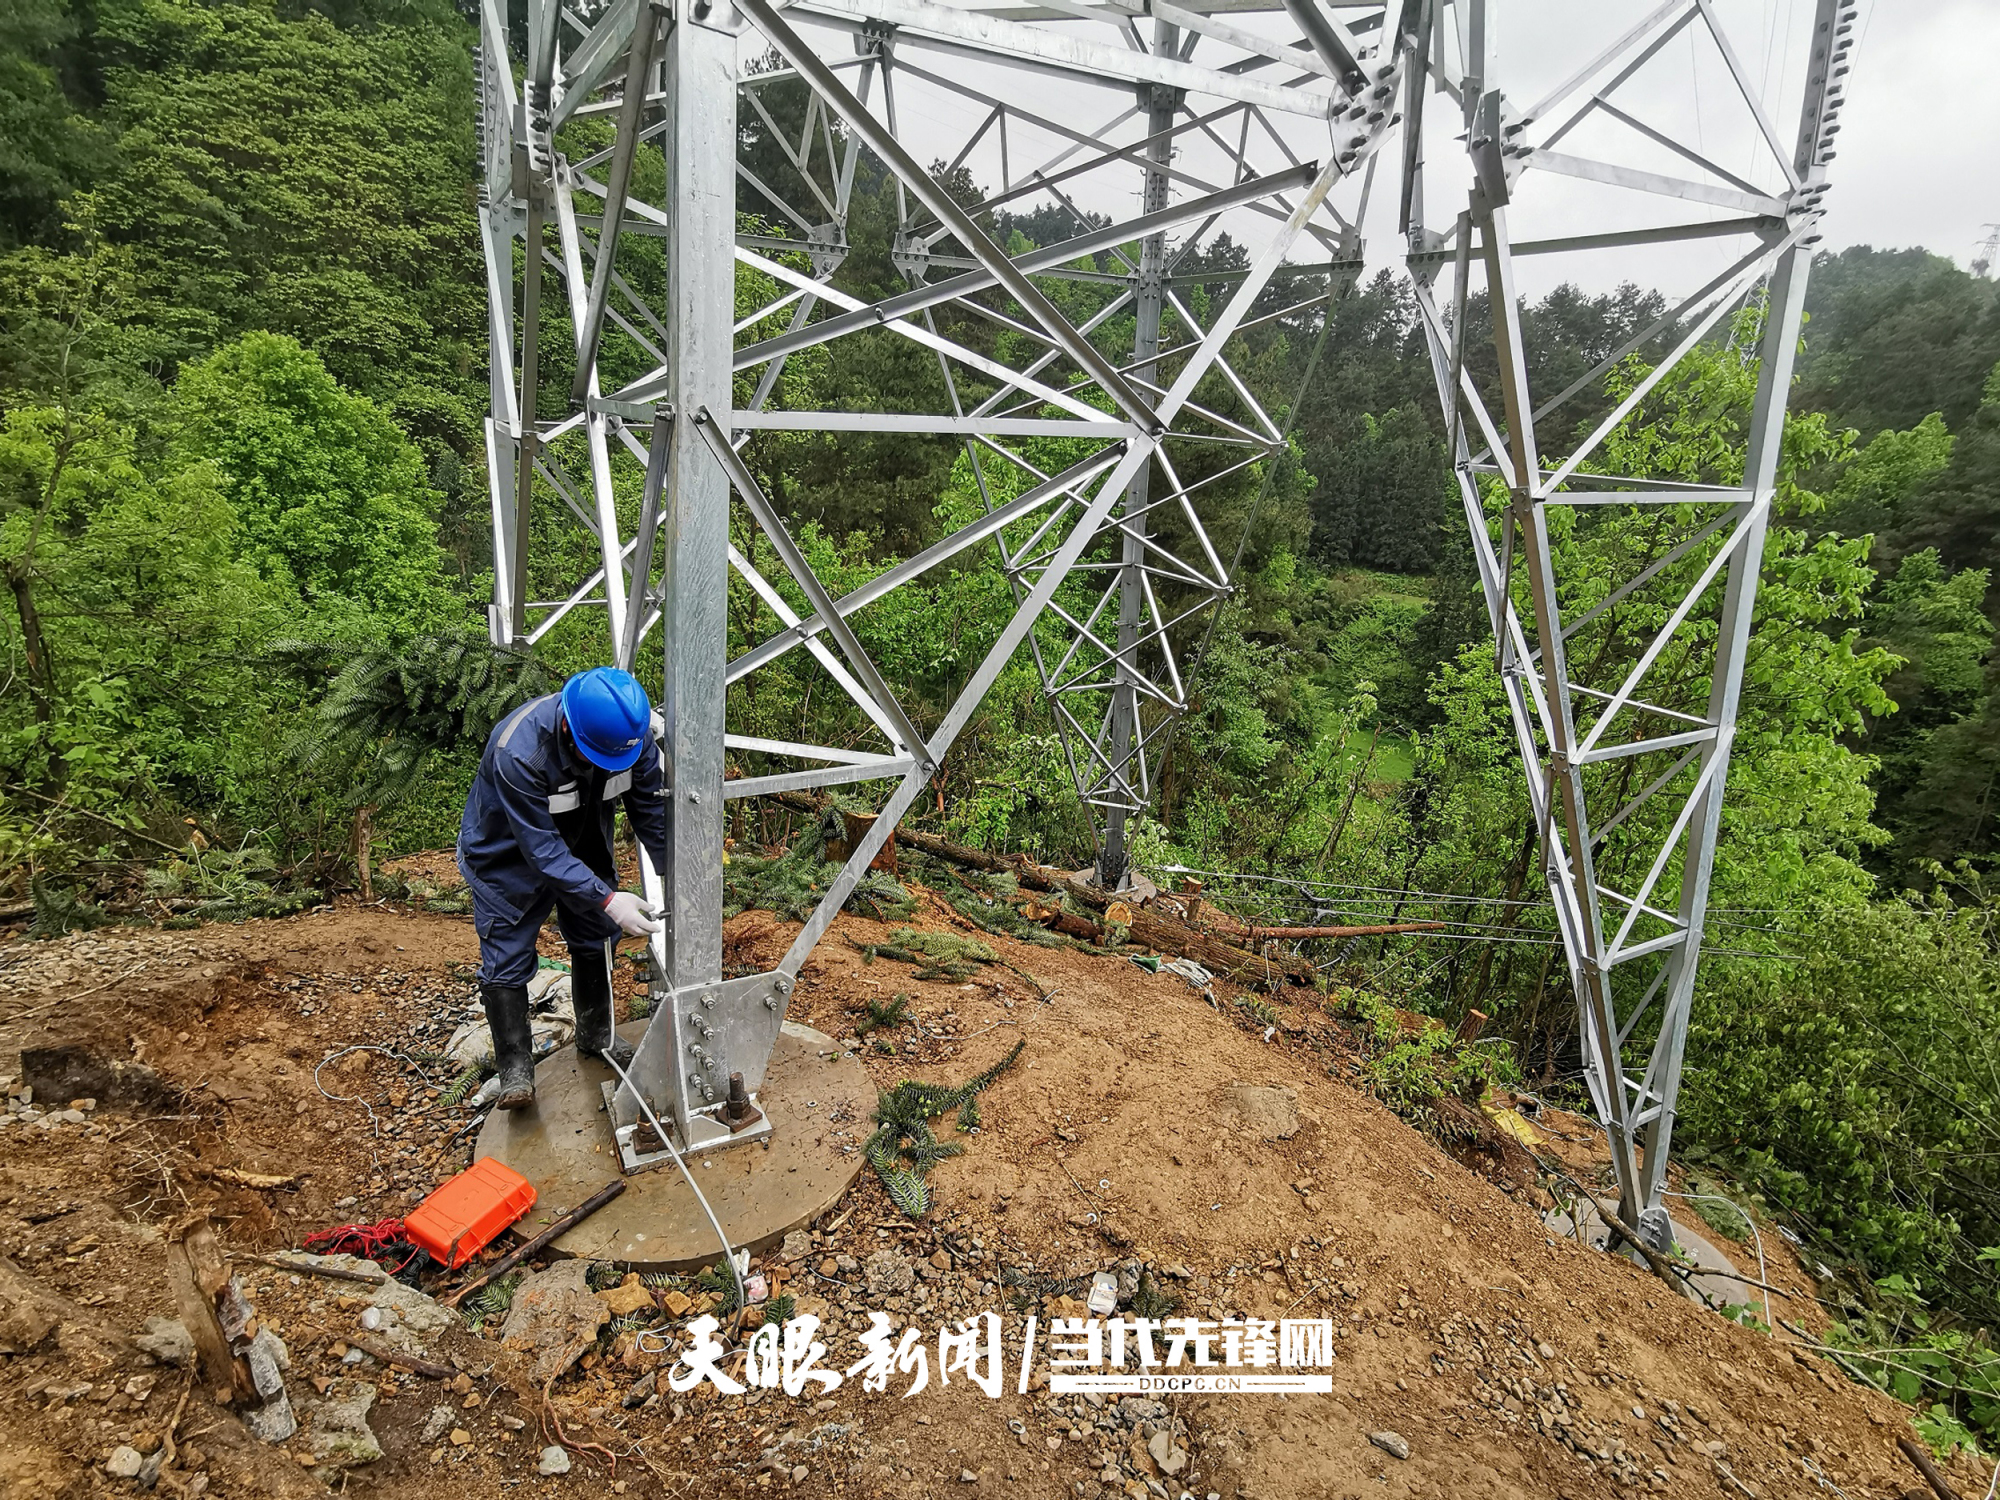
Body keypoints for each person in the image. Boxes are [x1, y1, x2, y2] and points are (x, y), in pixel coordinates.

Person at [457, 666, 668, 1110]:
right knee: (507, 956)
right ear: (569, 728)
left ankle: (597, 1036)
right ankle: (515, 1070)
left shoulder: (632, 739)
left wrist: (679, 877)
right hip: (506, 855)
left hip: (585, 840)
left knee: (594, 935)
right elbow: (542, 852)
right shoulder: (519, 752)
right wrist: (608, 899)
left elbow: (650, 812)